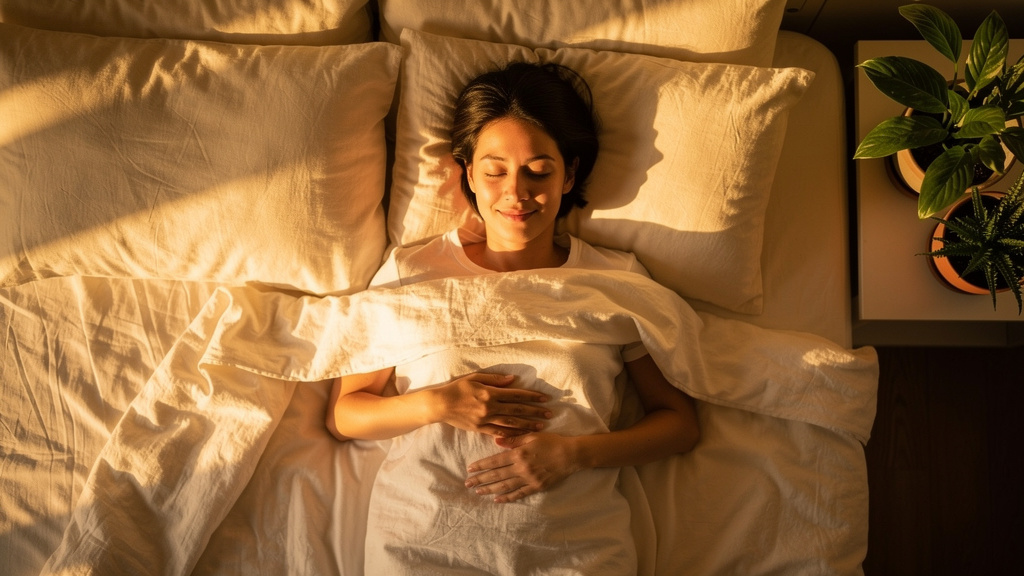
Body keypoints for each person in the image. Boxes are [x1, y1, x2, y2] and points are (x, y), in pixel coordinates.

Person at [326, 62, 699, 574]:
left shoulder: (612, 279)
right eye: (495, 171)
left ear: (569, 174)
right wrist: (438, 403)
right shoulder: (412, 270)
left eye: (538, 171)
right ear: (468, 175)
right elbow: (347, 415)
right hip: (425, 538)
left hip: (575, 546)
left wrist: (574, 455)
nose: (516, 193)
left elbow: (678, 425)